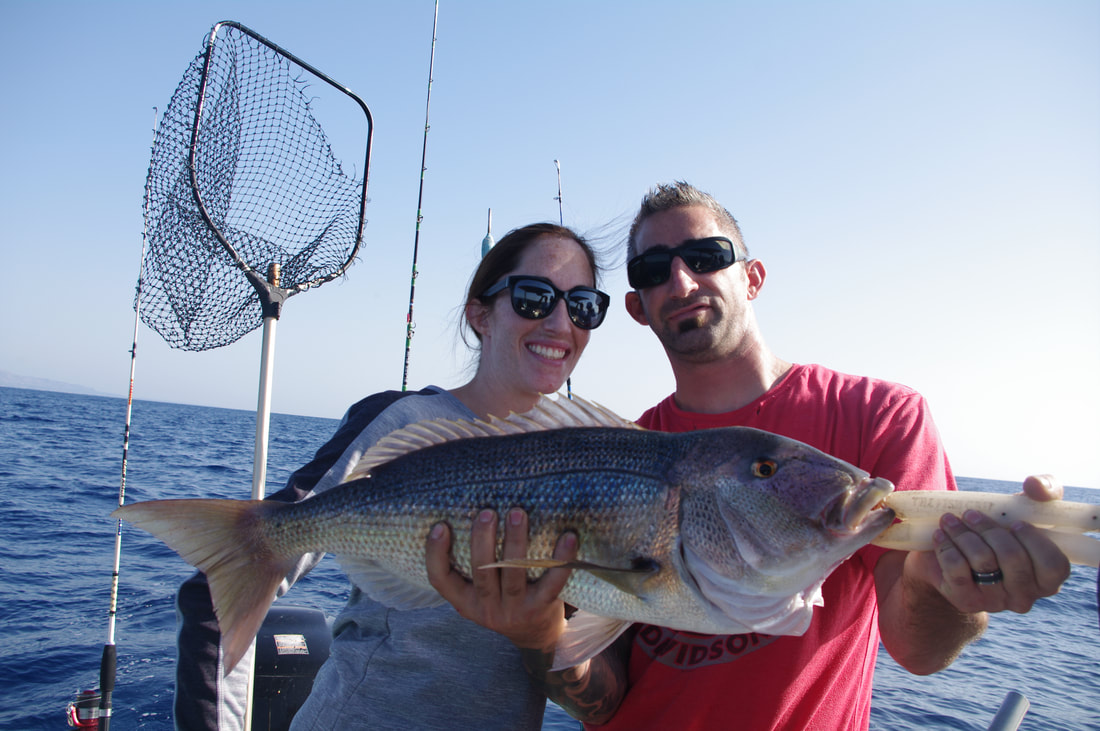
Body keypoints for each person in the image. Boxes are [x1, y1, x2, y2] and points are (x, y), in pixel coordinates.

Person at [426, 182, 1072, 730]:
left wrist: (955, 588)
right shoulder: (619, 448)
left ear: (752, 276)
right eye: (653, 270)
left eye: (706, 255)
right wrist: (538, 638)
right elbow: (604, 699)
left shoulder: (877, 416)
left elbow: (921, 651)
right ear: (636, 308)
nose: (681, 278)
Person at [173, 222, 610, 730]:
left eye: (582, 306)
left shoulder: (587, 468)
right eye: (534, 298)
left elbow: (581, 667)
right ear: (480, 314)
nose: (561, 323)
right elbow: (229, 579)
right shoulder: (402, 424)